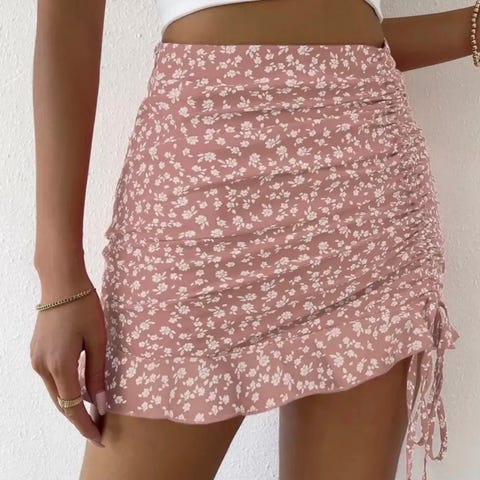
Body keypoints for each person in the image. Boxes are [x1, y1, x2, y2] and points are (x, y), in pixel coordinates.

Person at [31, 1, 477, 479]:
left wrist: (469, 28)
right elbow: (69, 24)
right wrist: (59, 278)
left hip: (368, 196)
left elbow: (346, 35)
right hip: (199, 207)